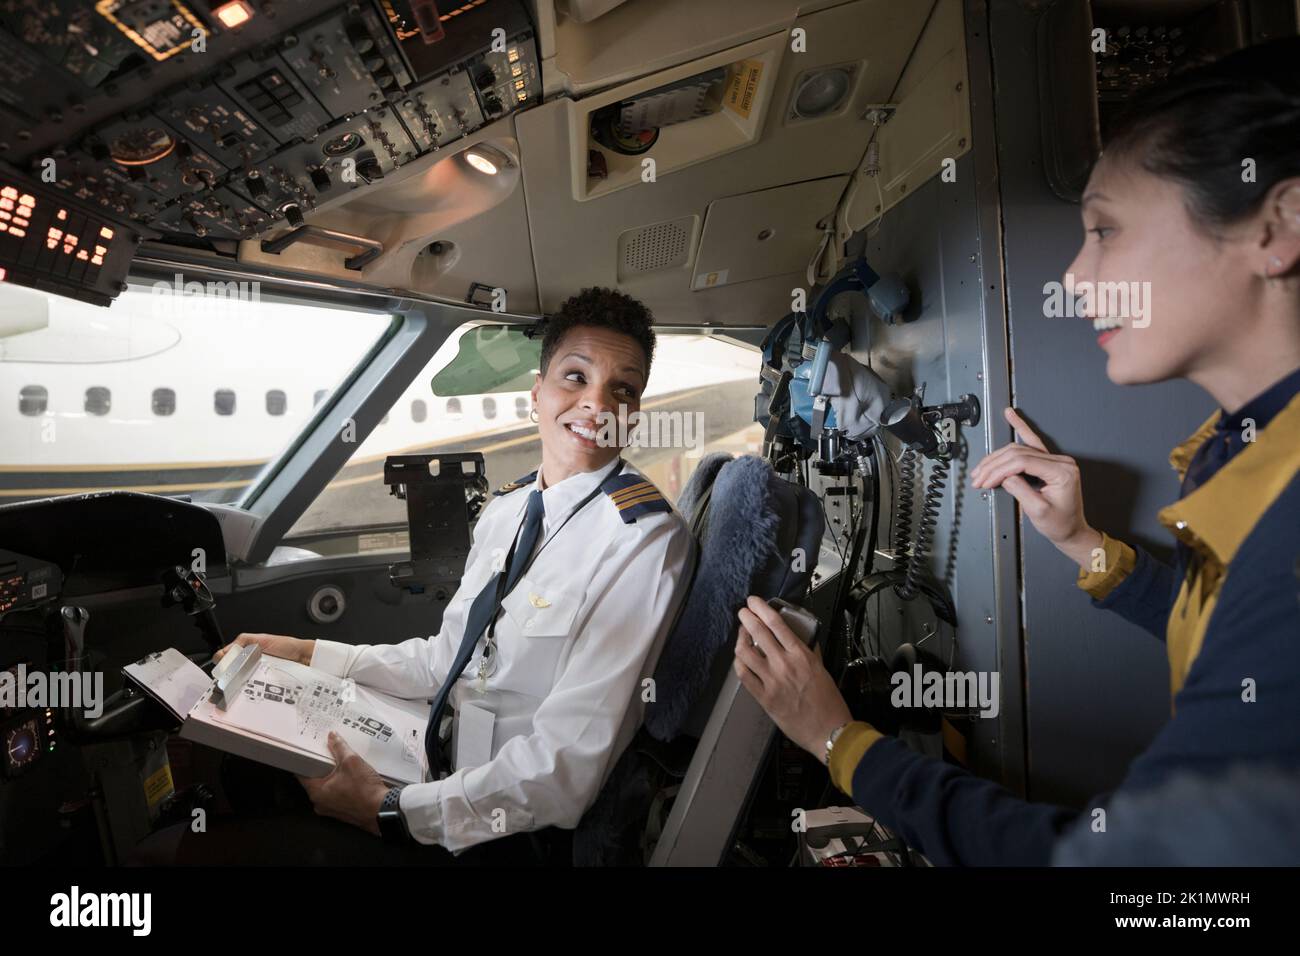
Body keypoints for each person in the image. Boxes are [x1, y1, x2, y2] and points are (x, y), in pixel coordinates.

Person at [731, 37, 1300, 865]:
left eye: (1106, 230)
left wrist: (838, 742)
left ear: (1277, 226)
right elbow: (1230, 624)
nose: (1072, 278)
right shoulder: (1249, 463)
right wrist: (1086, 546)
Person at [139, 287, 695, 865]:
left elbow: (563, 774)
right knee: (251, 768)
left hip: (502, 832)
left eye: (622, 389)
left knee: (179, 855)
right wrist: (309, 652)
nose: (596, 404)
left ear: (634, 414)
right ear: (537, 394)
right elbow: (443, 661)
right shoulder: (510, 508)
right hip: (435, 760)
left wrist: (390, 813)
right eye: (575, 377)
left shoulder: (644, 541)